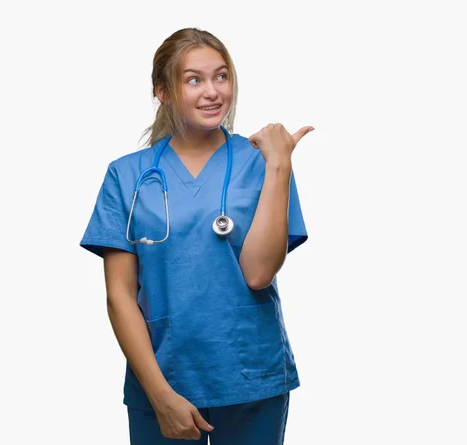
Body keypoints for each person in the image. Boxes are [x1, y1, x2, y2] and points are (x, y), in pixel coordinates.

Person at [79, 27, 314, 445]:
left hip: (250, 377)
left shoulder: (262, 163)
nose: (212, 92)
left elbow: (259, 274)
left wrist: (280, 165)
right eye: (194, 80)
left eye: (221, 76)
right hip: (163, 375)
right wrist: (159, 394)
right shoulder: (126, 174)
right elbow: (119, 295)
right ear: (163, 92)